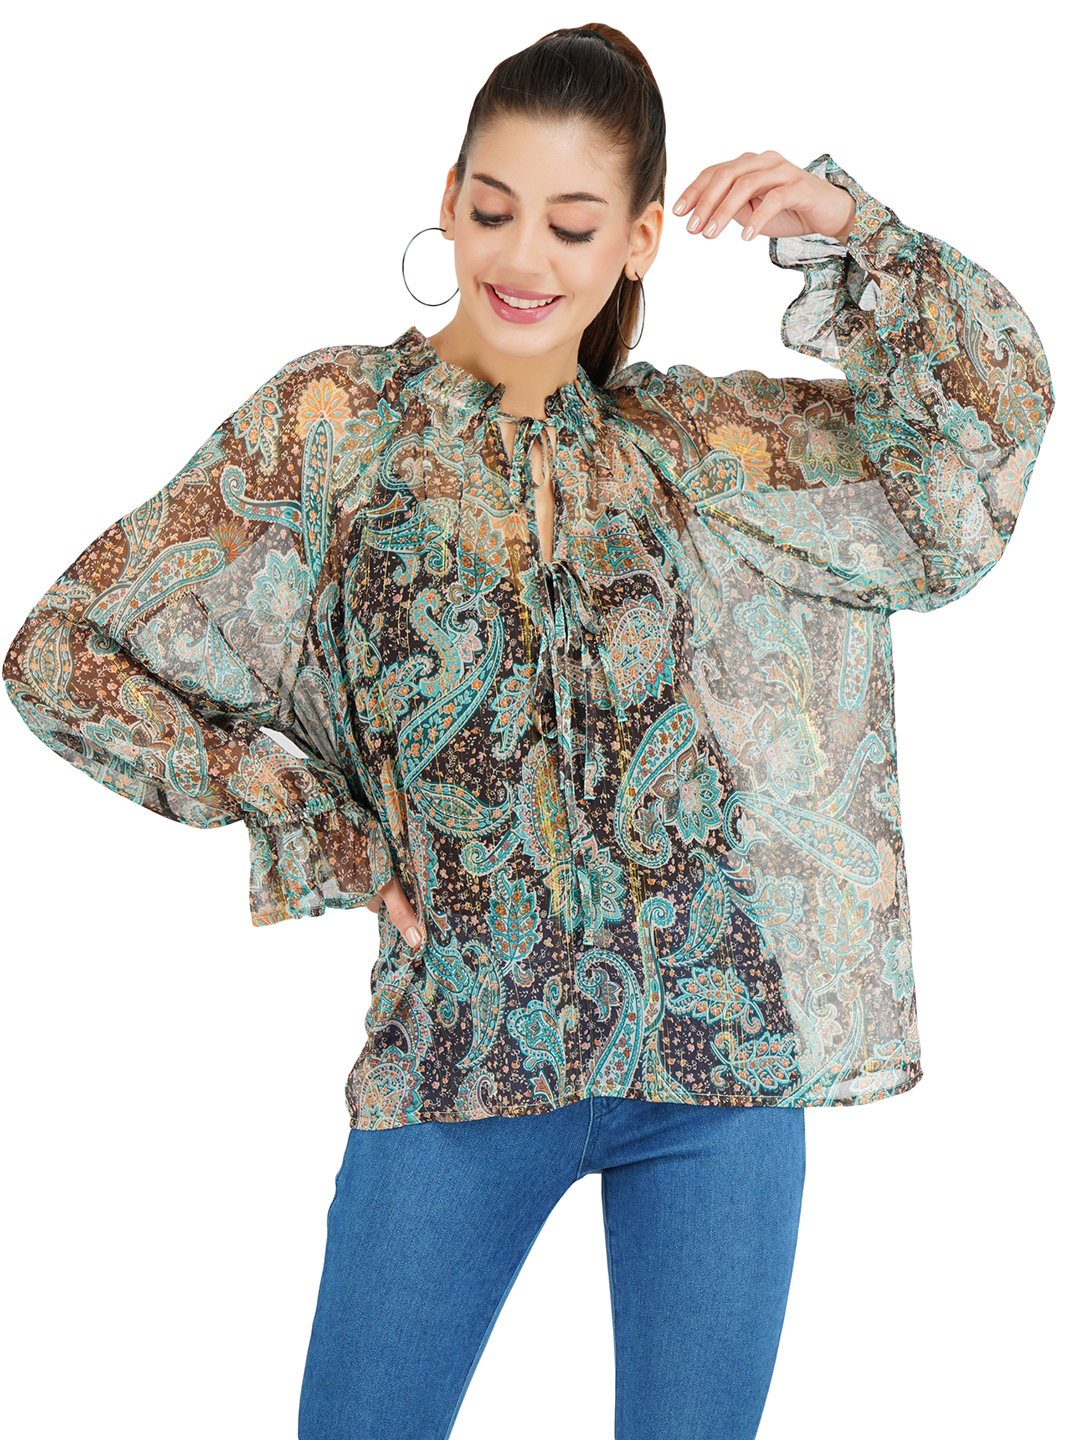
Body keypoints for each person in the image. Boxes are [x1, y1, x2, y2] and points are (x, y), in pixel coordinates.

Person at [1, 20, 1055, 1440]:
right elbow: (67, 651)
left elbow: (973, 459)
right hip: (457, 1050)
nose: (523, 257)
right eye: (494, 209)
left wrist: (856, 233)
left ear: (637, 242)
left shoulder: (699, 451)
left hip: (720, 1065)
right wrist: (311, 813)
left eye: (572, 224)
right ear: (447, 200)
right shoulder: (333, 426)